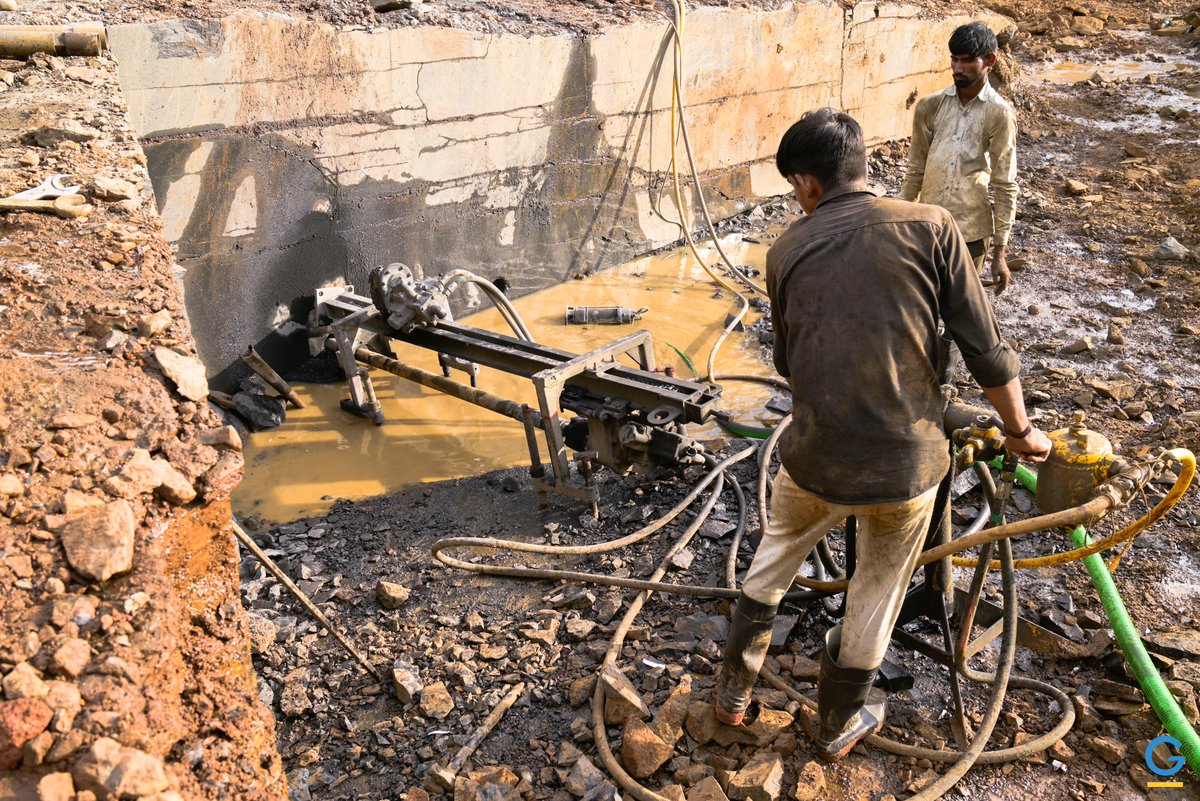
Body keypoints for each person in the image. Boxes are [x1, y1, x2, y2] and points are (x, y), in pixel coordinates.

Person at [713, 108, 1050, 762]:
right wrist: (1021, 431)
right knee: (878, 582)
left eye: (792, 186)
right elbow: (985, 350)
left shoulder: (784, 251)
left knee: (775, 553)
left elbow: (787, 362)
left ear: (808, 183)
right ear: (860, 166)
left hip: (812, 457)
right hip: (906, 467)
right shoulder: (933, 226)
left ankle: (732, 690)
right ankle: (840, 719)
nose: (794, 197)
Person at [900, 22, 1017, 296]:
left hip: (971, 233)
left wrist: (999, 253)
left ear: (989, 61)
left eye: (967, 61)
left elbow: (1005, 183)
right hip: (927, 228)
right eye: (954, 60)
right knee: (920, 303)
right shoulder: (930, 107)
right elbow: (915, 169)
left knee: (960, 314)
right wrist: (899, 222)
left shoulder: (999, 114)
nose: (957, 69)